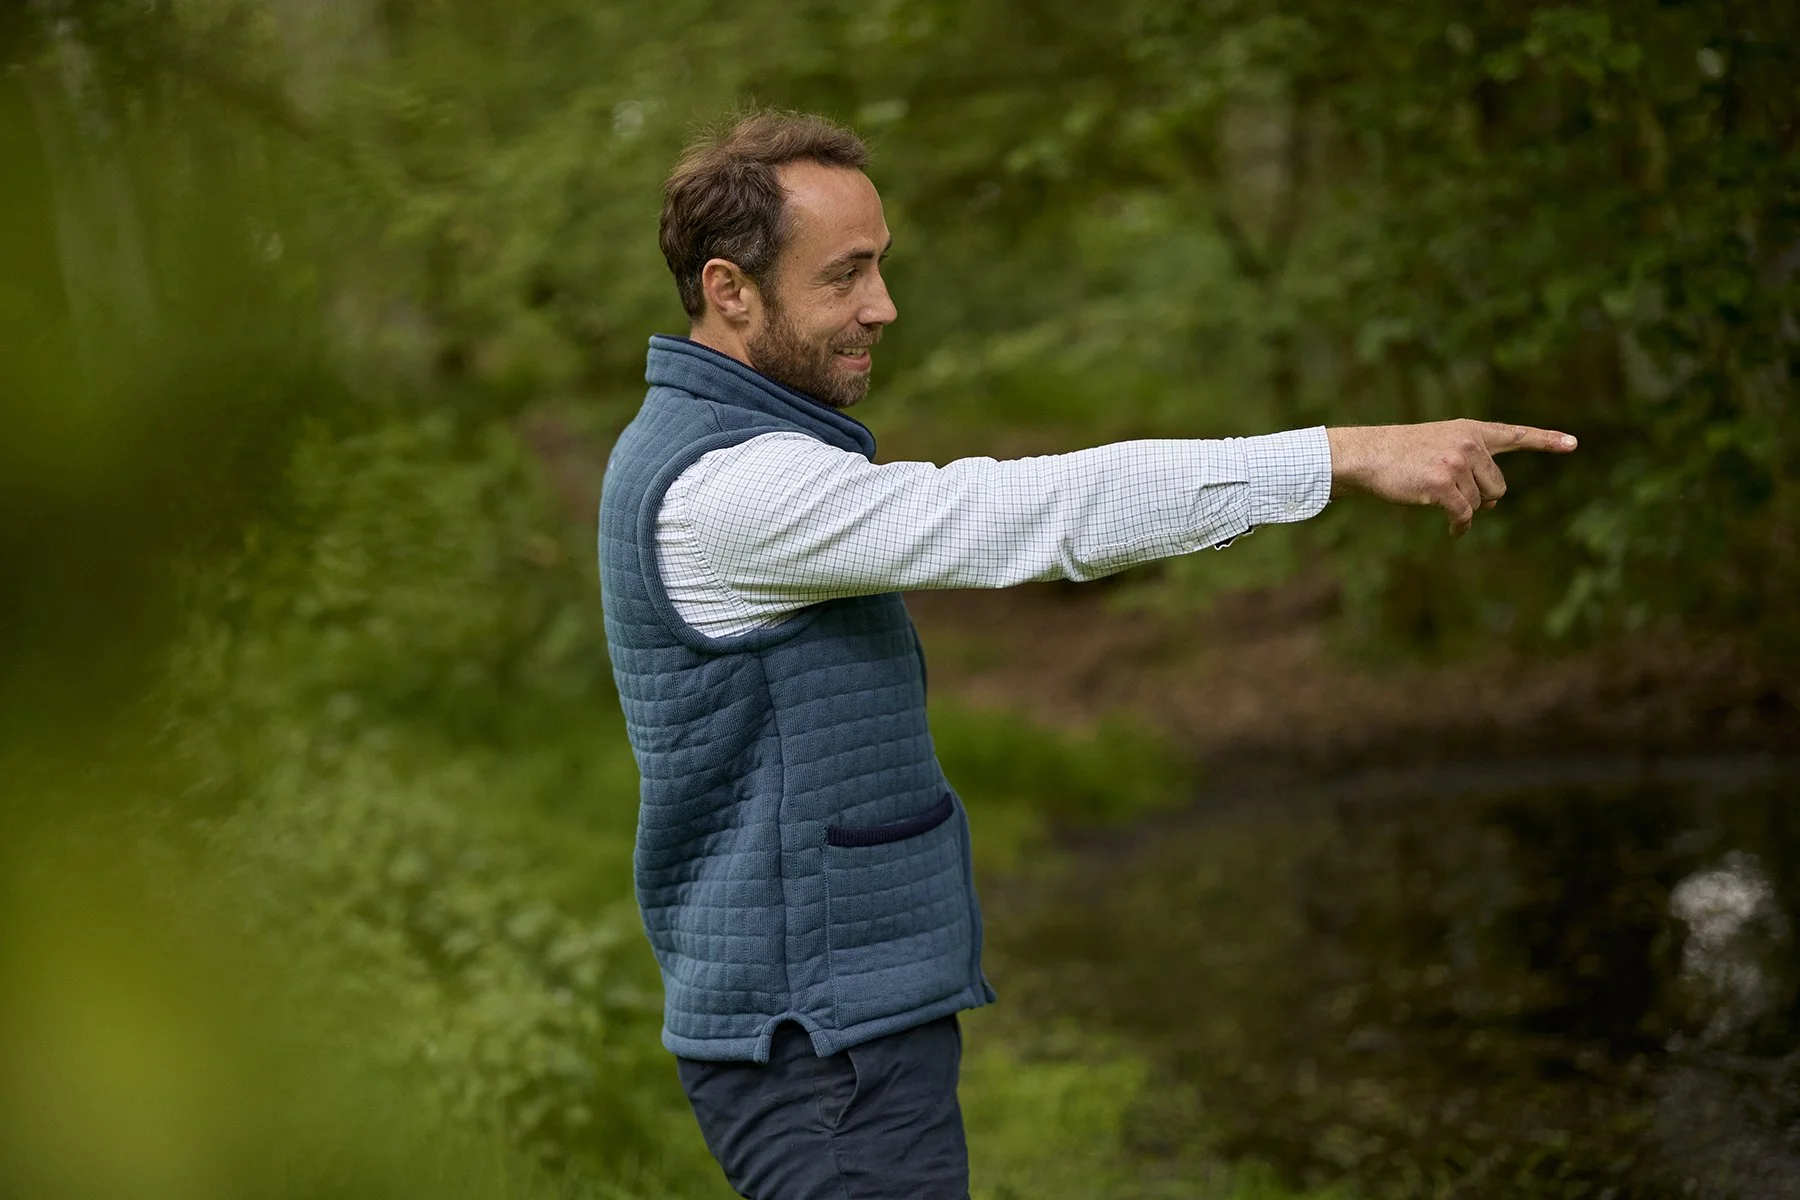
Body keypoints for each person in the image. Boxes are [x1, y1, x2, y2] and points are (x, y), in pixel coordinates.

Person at [596, 110, 1576, 1199]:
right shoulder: (728, 491)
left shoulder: (730, 451)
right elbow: (1032, 509)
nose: (883, 306)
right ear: (732, 290)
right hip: (821, 1049)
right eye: (848, 274)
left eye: (882, 267)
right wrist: (1339, 454)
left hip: (837, 1030)